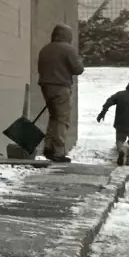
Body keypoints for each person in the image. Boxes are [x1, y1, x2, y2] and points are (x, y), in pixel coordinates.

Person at [36, 23, 84, 162]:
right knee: (62, 119)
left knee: (54, 117)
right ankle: (58, 151)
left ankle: (48, 147)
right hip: (61, 87)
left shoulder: (45, 49)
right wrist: (80, 60)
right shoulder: (68, 49)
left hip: (46, 87)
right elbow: (78, 69)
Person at [97, 78, 129, 165]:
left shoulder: (120, 95)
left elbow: (109, 102)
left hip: (120, 124)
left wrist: (102, 113)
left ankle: (122, 150)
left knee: (119, 140)